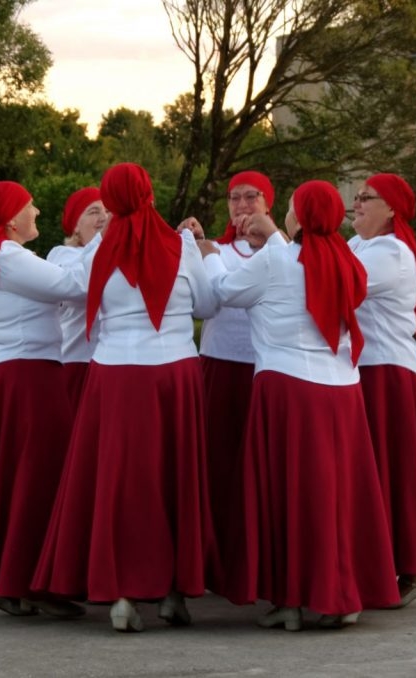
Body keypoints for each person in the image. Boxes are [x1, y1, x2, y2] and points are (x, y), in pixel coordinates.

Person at [199, 180, 399, 630]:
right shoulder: (349, 262)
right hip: (342, 391)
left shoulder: (277, 259)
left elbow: (223, 292)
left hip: (287, 387)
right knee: (336, 496)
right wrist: (273, 238)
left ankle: (290, 598)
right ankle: (341, 593)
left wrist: (208, 253)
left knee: (287, 496)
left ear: (300, 216)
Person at [33, 163, 219, 633]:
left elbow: (73, 293)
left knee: (120, 482)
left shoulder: (98, 253)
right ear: (151, 193)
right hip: (175, 370)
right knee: (175, 478)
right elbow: (208, 306)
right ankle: (176, 591)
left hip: (115, 374)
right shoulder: (180, 246)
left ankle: (121, 594)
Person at [0, 180, 91, 619]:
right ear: (11, 218)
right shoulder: (9, 255)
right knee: (39, 477)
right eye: (30, 207)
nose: (37, 213)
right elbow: (74, 285)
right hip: (27, 373)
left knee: (4, 480)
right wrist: (108, 238)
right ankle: (30, 582)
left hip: (1, 375)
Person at [348, 173, 416, 607]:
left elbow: (339, 282)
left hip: (388, 374)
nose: (356, 203)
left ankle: (413, 568)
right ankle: (373, 565)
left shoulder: (392, 252)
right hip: (363, 372)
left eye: (366, 198)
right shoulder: (358, 246)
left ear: (391, 208)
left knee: (395, 473)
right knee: (372, 476)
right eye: (354, 196)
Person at [177, 170, 274, 589]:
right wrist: (191, 244)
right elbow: (203, 306)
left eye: (251, 197)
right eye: (234, 198)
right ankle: (215, 563)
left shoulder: (285, 251)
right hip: (219, 364)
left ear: (268, 203)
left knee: (261, 470)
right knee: (218, 466)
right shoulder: (215, 249)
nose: (242, 206)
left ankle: (262, 562)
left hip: (265, 370)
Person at [46, 186, 108, 408]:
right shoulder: (61, 255)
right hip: (75, 363)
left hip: (110, 363)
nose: (103, 217)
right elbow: (85, 284)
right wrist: (104, 236)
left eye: (107, 211)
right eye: (93, 211)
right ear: (75, 226)